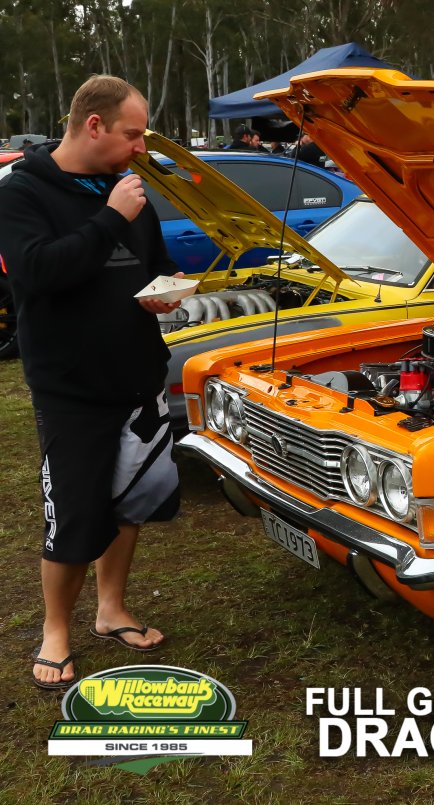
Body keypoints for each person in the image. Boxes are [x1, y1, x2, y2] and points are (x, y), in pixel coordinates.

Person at [0, 75, 182, 690]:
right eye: (132, 134)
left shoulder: (127, 190)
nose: (140, 147)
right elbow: (39, 272)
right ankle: (56, 631)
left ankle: (112, 610)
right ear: (94, 124)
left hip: (135, 371)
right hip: (69, 383)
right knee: (74, 513)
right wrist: (108, 218)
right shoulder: (22, 191)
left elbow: (155, 262)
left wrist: (166, 293)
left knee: (129, 500)